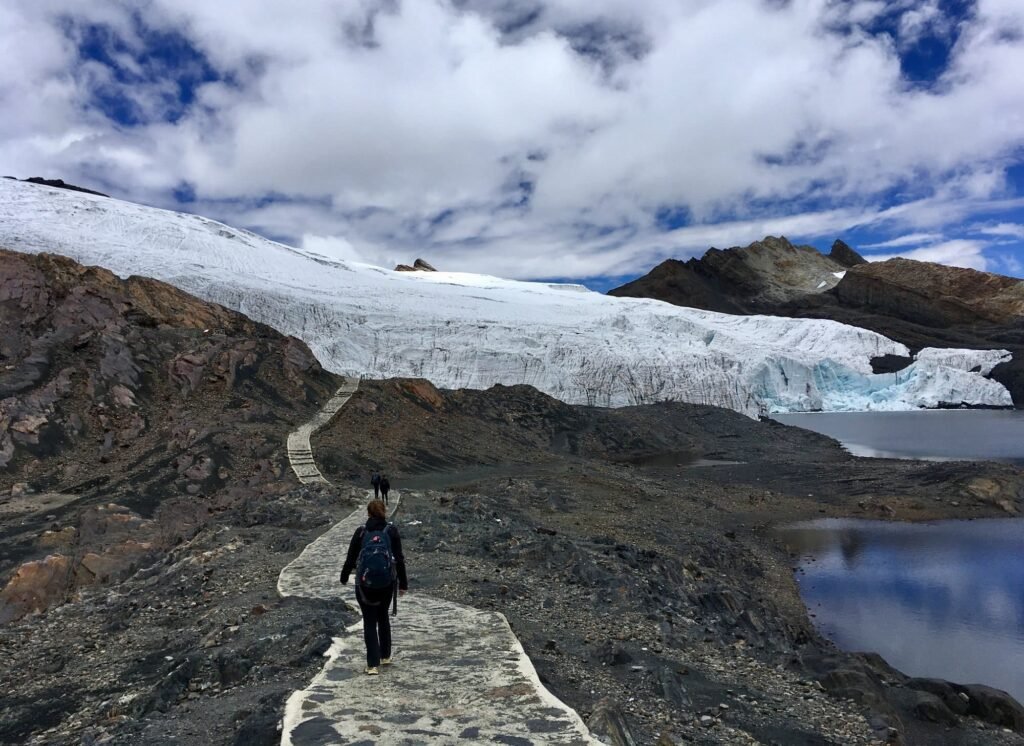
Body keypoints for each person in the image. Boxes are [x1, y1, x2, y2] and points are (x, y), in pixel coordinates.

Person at [340, 499, 408, 675]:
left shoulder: (361, 532)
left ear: (368, 513)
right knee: (383, 616)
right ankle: (385, 656)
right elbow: (399, 559)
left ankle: (372, 665)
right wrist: (403, 584)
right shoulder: (391, 531)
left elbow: (351, 557)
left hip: (365, 584)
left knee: (369, 621)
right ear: (384, 511)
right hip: (387, 583)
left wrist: (344, 576)